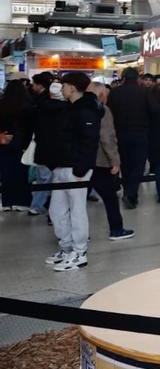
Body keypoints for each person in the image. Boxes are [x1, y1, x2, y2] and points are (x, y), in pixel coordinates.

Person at [44, 72, 102, 272]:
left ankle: (79, 252)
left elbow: (90, 141)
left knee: (77, 210)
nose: (62, 89)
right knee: (56, 210)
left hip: (76, 168)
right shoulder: (69, 109)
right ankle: (67, 248)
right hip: (61, 165)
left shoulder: (86, 110)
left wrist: (81, 168)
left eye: (64, 85)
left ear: (73, 87)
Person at [88, 81, 134, 241]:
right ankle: (116, 229)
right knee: (110, 197)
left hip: (82, 161)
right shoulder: (102, 110)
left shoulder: (78, 108)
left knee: (76, 199)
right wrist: (115, 160)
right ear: (101, 95)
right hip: (100, 161)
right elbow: (107, 137)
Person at [107, 65, 154, 209]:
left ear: (124, 78)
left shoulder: (115, 93)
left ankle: (127, 191)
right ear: (138, 78)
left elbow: (109, 112)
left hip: (120, 133)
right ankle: (131, 194)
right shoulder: (145, 92)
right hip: (140, 134)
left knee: (125, 165)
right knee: (138, 165)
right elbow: (153, 110)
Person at [26, 72, 58, 216]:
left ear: (40, 85)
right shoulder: (49, 101)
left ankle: (38, 205)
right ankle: (42, 205)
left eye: (34, 83)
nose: (32, 86)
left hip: (44, 143)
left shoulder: (41, 102)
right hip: (49, 144)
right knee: (46, 177)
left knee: (43, 177)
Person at [0, 80, 33, 211]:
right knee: (21, 174)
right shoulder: (28, 106)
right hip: (21, 144)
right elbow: (30, 128)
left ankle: (7, 202)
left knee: (6, 173)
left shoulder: (2, 105)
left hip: (3, 143)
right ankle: (22, 202)